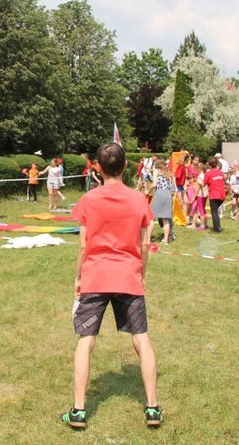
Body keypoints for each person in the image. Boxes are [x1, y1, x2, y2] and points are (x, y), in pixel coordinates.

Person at [60, 142, 161, 430]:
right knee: (141, 339)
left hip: (96, 275)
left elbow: (83, 244)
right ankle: (152, 407)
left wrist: (78, 278)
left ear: (98, 168)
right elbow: (144, 243)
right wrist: (141, 273)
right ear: (126, 166)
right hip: (128, 275)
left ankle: (79, 411)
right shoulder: (139, 199)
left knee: (85, 341)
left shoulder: (90, 199)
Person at [150, 159, 175, 244]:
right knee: (166, 219)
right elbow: (173, 188)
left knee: (152, 217)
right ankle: (165, 240)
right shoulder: (169, 173)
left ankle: (147, 239)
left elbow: (154, 184)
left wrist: (147, 189)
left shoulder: (156, 171)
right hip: (168, 195)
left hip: (159, 193)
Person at [205, 157, 226, 233]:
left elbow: (205, 182)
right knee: (216, 211)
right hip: (222, 195)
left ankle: (216, 229)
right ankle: (218, 227)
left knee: (214, 212)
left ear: (209, 165)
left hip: (214, 195)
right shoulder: (220, 173)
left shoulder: (208, 173)